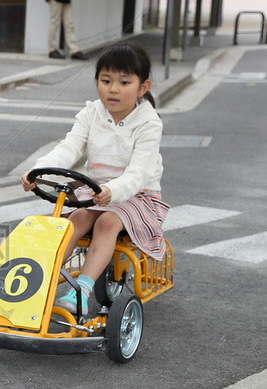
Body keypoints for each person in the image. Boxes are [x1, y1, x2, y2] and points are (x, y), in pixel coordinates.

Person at [20, 40, 167, 319]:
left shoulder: (148, 123)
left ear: (142, 88)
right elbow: (69, 147)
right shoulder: (91, 113)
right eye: (106, 80)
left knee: (108, 221)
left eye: (124, 82)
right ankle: (38, 284)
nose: (113, 89)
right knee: (75, 220)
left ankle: (81, 292)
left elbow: (139, 172)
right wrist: (37, 170)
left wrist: (114, 190)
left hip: (137, 195)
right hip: (96, 192)